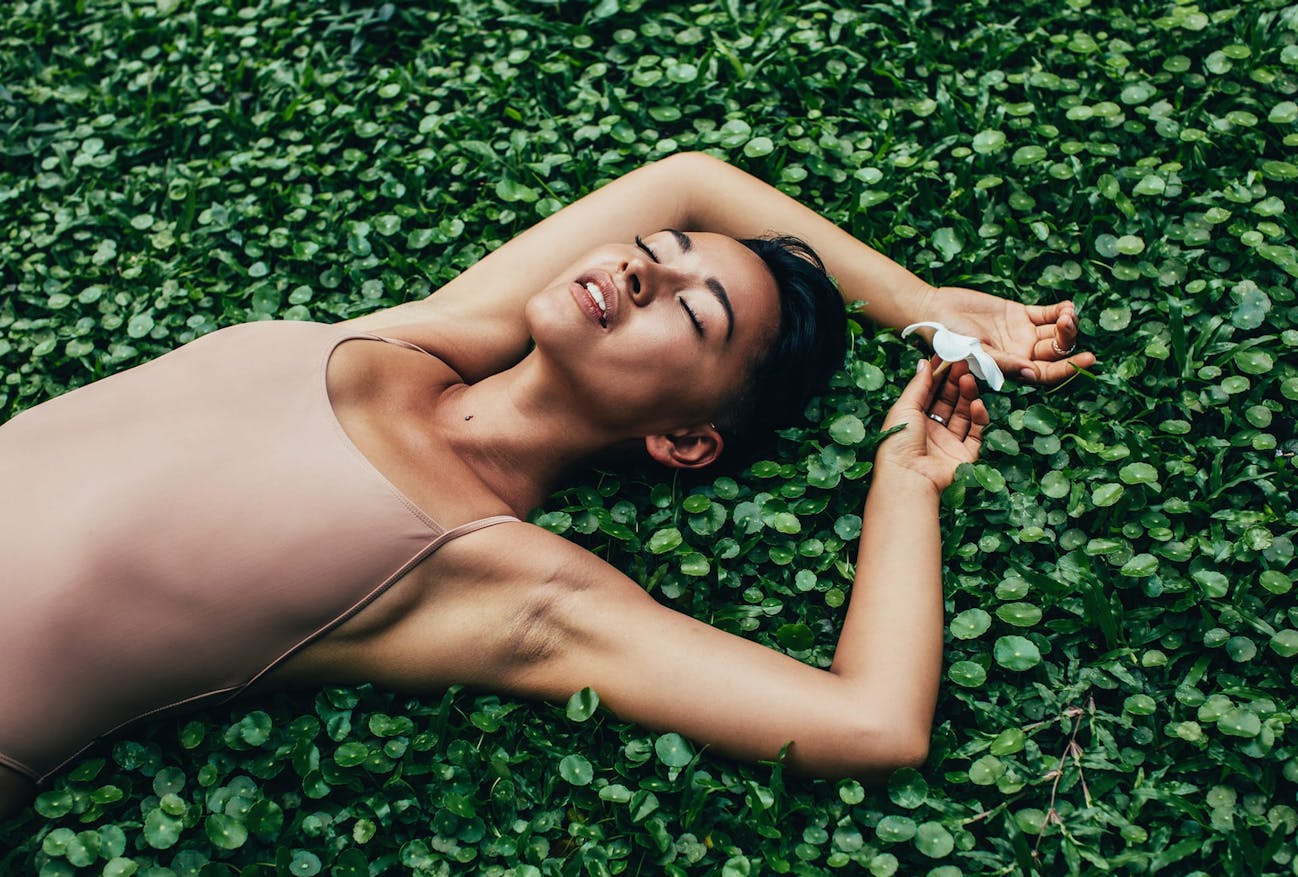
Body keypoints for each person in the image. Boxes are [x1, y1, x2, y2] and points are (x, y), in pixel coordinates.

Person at [0, 152, 1093, 820]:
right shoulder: (423, 337)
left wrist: (904, 478)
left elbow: (870, 723)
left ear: (683, 440)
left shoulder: (502, 581)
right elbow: (692, 179)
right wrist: (918, 301)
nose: (638, 267)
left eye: (689, 310)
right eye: (655, 253)